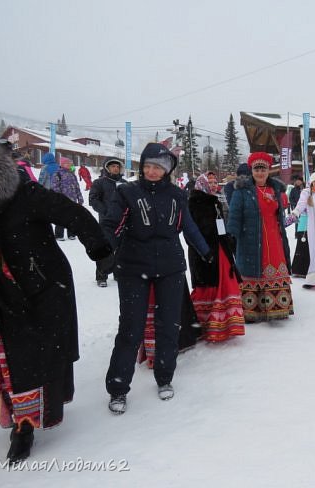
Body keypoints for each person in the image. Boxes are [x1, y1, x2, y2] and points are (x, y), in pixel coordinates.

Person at [0, 133, 112, 463]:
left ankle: (24, 427)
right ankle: (15, 415)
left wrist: (98, 247)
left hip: (39, 290)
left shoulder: (25, 194)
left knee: (30, 362)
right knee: (1, 359)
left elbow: (73, 214)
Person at [102, 143, 211, 414]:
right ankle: (118, 387)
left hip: (171, 267)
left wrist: (205, 250)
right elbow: (111, 224)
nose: (152, 171)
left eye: (158, 167)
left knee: (169, 325)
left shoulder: (176, 195)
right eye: (148, 166)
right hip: (132, 267)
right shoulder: (126, 192)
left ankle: (165, 377)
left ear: (167, 170)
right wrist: (103, 249)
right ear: (141, 167)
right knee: (131, 328)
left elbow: (188, 226)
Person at [227, 152, 293, 322]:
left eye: (263, 169)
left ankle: (277, 307)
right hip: (251, 237)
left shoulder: (275, 189)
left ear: (269, 170)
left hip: (274, 237)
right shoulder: (242, 191)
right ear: (252, 170)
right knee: (252, 268)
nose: (260, 173)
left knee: (275, 267)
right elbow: (234, 215)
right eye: (256, 169)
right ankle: (252, 310)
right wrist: (230, 236)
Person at [187, 174, 245, 342]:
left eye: (214, 182)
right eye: (209, 183)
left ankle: (225, 324)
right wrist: (204, 250)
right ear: (200, 185)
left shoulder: (215, 202)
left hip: (220, 249)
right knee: (207, 286)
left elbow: (220, 226)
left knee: (226, 283)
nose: (213, 185)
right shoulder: (194, 203)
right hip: (204, 252)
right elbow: (193, 232)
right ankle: (206, 325)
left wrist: (227, 240)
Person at [88, 157, 127, 287]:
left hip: (123, 222)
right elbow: (93, 199)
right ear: (107, 168)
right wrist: (106, 211)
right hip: (106, 222)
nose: (115, 168)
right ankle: (101, 276)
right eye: (112, 166)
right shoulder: (100, 182)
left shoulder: (125, 183)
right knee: (106, 249)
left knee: (122, 249)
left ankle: (118, 273)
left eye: (117, 166)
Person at [51, 156, 84, 241]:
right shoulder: (57, 174)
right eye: (67, 163)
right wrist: (59, 198)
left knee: (72, 218)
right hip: (62, 201)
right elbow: (55, 188)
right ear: (62, 164)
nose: (69, 164)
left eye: (70, 163)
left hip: (73, 201)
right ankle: (59, 235)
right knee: (61, 218)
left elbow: (77, 187)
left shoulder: (72, 174)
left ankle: (71, 234)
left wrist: (80, 198)